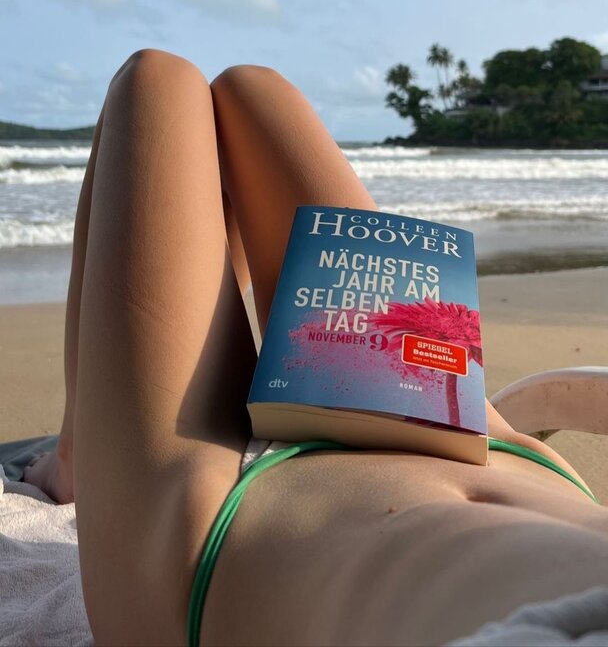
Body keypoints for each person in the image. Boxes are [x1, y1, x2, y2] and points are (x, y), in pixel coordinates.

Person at [24, 50, 608, 647]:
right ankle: (81, 452)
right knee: (252, 89)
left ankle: (76, 456)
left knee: (155, 80)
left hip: (226, 537)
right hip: (487, 447)